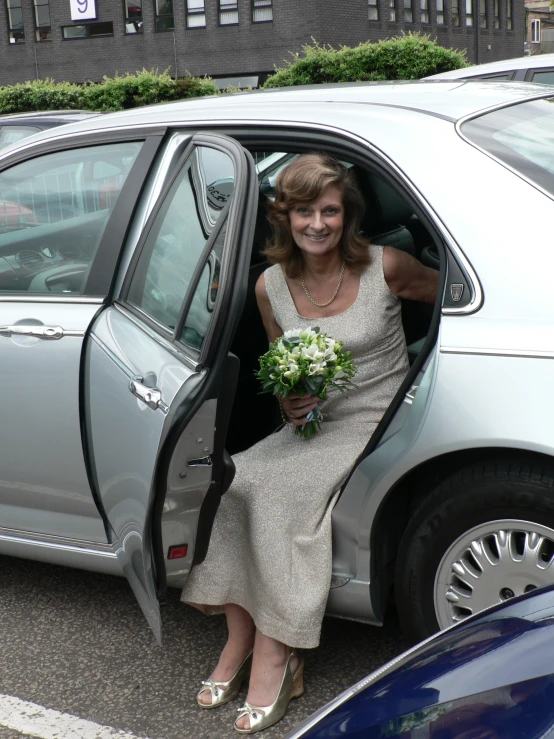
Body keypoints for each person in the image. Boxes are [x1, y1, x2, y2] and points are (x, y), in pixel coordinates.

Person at [181, 153, 439, 734]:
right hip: (311, 426)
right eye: (304, 212)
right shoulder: (269, 285)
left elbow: (452, 303)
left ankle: (278, 655)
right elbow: (282, 370)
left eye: (329, 210)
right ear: (285, 216)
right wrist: (288, 404)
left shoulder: (387, 265)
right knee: (234, 479)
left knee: (274, 493)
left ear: (347, 214)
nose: (317, 224)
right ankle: (240, 635)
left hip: (382, 418)